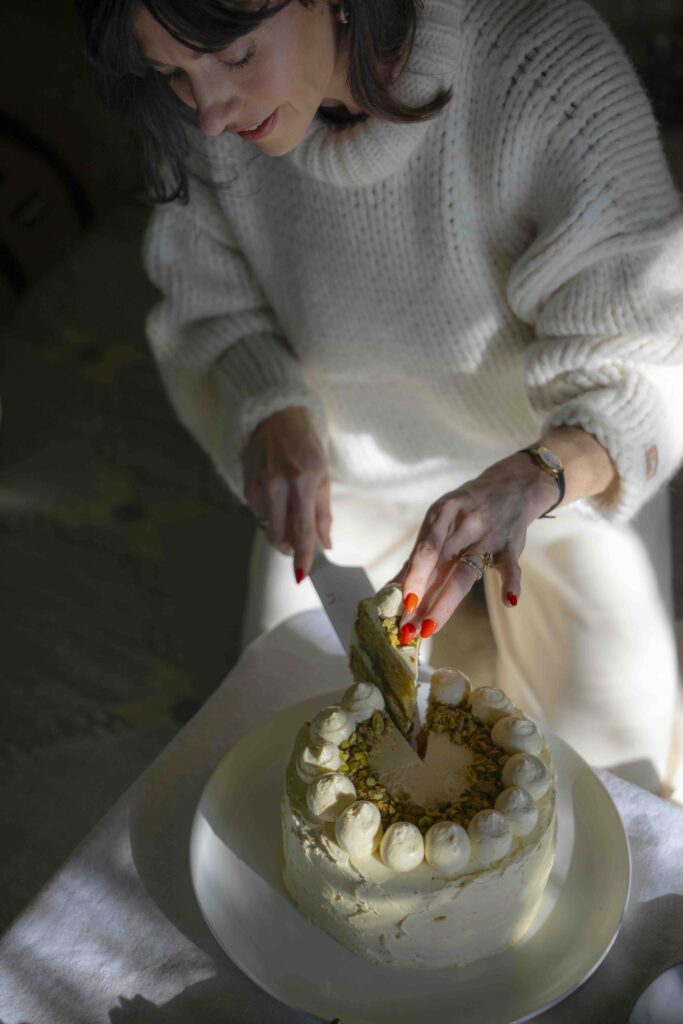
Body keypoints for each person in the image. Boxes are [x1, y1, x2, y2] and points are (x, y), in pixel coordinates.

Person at [77, 0, 683, 794]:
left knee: (621, 787)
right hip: (345, 470)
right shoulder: (205, 108)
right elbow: (208, 304)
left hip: (554, 466)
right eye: (171, 76)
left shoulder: (543, 66)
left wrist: (535, 476)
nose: (212, 116)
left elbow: (643, 361)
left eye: (233, 58)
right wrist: (271, 411)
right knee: (288, 778)